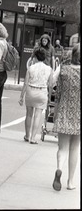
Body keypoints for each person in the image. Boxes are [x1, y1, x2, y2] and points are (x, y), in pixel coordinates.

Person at [52, 43, 80, 191]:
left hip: (63, 110)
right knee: (75, 148)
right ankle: (70, 182)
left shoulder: (64, 70)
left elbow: (57, 93)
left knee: (62, 148)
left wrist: (55, 112)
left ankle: (59, 168)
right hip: (79, 114)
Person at [18, 47, 53, 144]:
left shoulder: (31, 68)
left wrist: (21, 96)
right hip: (42, 92)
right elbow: (50, 85)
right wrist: (49, 97)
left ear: (35, 57)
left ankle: (27, 135)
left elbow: (25, 83)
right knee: (37, 115)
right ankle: (33, 138)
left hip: (31, 90)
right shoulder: (49, 69)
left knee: (29, 114)